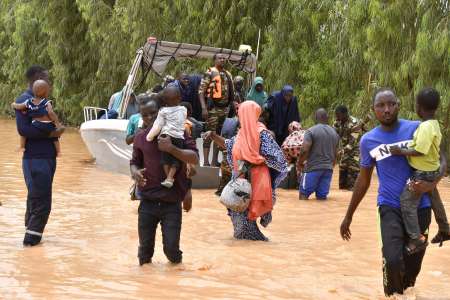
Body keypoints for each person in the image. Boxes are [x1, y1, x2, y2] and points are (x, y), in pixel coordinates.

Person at [340, 88, 447, 297]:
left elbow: (441, 158)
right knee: (392, 260)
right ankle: (392, 295)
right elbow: (363, 180)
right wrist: (348, 216)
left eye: (391, 104)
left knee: (412, 269)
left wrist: (432, 183)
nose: (387, 110)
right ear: (373, 110)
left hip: (421, 206)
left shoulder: (418, 128)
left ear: (398, 105)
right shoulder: (368, 141)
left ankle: (405, 293)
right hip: (389, 207)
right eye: (381, 105)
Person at [204, 101, 288, 241]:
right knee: (239, 214)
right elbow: (229, 145)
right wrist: (213, 136)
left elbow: (278, 159)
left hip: (256, 181)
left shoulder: (262, 134)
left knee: (245, 221)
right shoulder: (241, 134)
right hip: (239, 181)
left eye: (240, 112)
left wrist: (255, 160)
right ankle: (251, 248)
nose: (238, 115)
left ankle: (251, 251)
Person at [130, 99, 198, 265]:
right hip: (147, 201)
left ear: (162, 112)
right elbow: (134, 162)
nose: (149, 118)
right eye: (145, 115)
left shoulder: (179, 133)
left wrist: (172, 149)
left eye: (153, 113)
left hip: (172, 202)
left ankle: (176, 280)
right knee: (145, 252)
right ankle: (145, 286)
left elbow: (194, 158)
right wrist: (135, 172)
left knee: (172, 251)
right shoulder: (141, 137)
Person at [389, 88, 450, 252]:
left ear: (419, 107)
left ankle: (416, 238)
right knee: (434, 197)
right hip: (433, 170)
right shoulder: (435, 124)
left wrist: (400, 151)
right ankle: (445, 228)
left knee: (406, 201)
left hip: (422, 173)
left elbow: (420, 150)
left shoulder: (424, 127)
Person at [13, 65, 64, 246]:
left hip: (43, 159)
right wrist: (53, 133)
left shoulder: (39, 100)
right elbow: (23, 129)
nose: (50, 83)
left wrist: (56, 130)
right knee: (42, 203)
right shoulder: (24, 100)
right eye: (47, 79)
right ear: (37, 79)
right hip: (37, 159)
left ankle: (29, 242)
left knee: (36, 199)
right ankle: (30, 244)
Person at [146, 86, 187, 188]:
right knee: (175, 160)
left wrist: (149, 137)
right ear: (180, 98)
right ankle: (170, 177)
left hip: (166, 137)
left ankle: (168, 178)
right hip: (179, 138)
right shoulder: (183, 109)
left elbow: (157, 126)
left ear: (164, 100)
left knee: (165, 159)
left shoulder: (163, 111)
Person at [199, 53, 234, 166]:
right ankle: (205, 161)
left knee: (219, 135)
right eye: (220, 58)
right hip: (213, 109)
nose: (222, 60)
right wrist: (204, 108)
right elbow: (201, 91)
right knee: (210, 133)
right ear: (215, 60)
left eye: (224, 58)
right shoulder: (210, 72)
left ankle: (214, 160)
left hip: (225, 109)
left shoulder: (228, 74)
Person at [296, 108, 339, 200]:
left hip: (313, 168)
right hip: (328, 170)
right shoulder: (334, 133)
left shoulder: (311, 131)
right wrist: (331, 165)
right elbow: (337, 154)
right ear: (327, 118)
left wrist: (299, 163)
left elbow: (304, 149)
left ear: (316, 117)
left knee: (303, 195)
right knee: (322, 197)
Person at [12, 80, 63, 156]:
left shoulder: (29, 101)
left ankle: (22, 146)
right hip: (47, 126)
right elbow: (51, 113)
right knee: (55, 137)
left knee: (24, 133)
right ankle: (58, 152)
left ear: (33, 92)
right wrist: (57, 123)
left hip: (36, 125)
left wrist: (14, 104)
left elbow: (20, 106)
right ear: (46, 93)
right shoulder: (46, 102)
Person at [333, 105, 368, 190]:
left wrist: (339, 152)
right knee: (342, 178)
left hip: (354, 153)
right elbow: (333, 136)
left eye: (338, 115)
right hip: (345, 153)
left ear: (345, 114)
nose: (337, 117)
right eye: (336, 115)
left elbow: (352, 144)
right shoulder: (337, 122)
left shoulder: (355, 123)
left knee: (353, 179)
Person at [215, 101, 240, 196]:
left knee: (225, 174)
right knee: (230, 175)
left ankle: (221, 191)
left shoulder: (228, 120)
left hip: (226, 149)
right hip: (233, 152)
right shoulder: (240, 122)